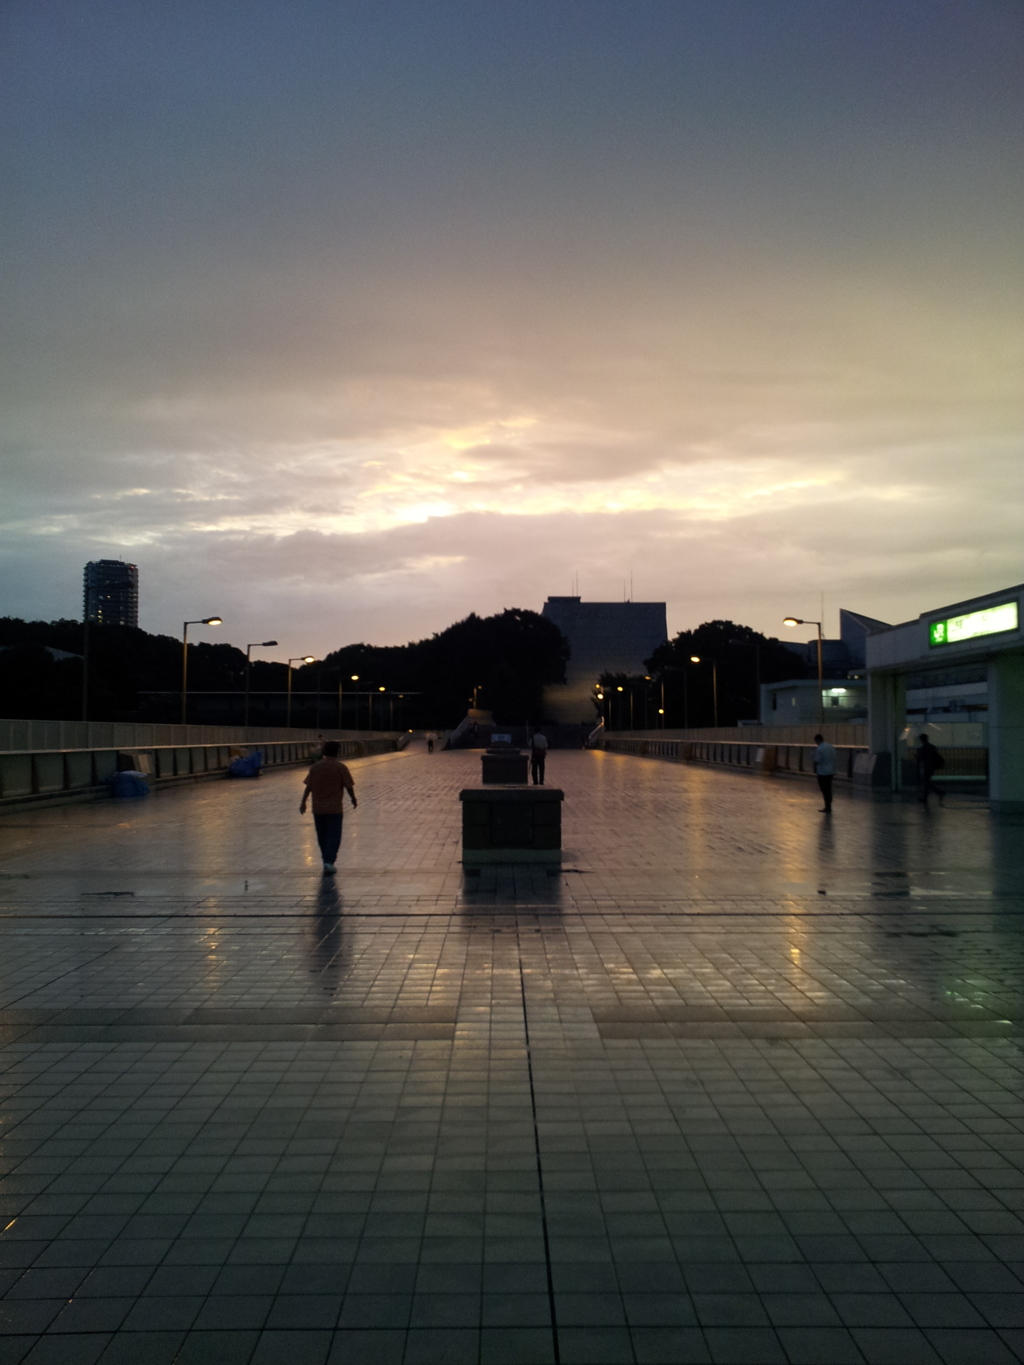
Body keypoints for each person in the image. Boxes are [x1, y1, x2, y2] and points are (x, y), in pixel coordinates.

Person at [300, 740, 357, 874]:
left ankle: (325, 860)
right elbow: (348, 786)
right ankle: (329, 861)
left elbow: (309, 786)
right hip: (334, 808)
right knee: (334, 835)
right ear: (337, 752)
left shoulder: (316, 767)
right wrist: (353, 798)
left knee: (322, 835)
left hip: (318, 808)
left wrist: (303, 802)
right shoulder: (341, 767)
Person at [917, 733, 945, 805]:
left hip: (927, 767)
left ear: (921, 740)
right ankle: (926, 797)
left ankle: (939, 792)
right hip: (932, 767)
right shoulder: (932, 747)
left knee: (926, 782)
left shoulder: (923, 749)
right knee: (927, 782)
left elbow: (921, 758)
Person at [812, 733, 836, 813]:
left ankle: (827, 806)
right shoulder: (830, 747)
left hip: (822, 772)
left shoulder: (819, 749)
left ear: (817, 740)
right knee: (829, 788)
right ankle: (829, 804)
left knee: (824, 789)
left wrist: (814, 768)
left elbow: (817, 760)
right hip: (830, 771)